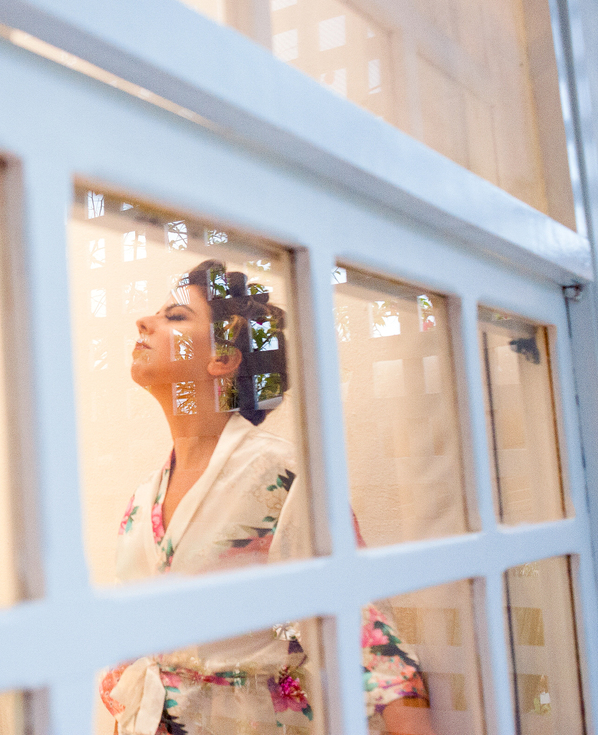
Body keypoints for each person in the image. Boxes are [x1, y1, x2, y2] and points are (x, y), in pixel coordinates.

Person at [100, 260, 436, 735]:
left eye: (176, 316)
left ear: (223, 359)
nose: (144, 322)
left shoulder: (281, 474)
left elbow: (365, 633)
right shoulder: (143, 499)